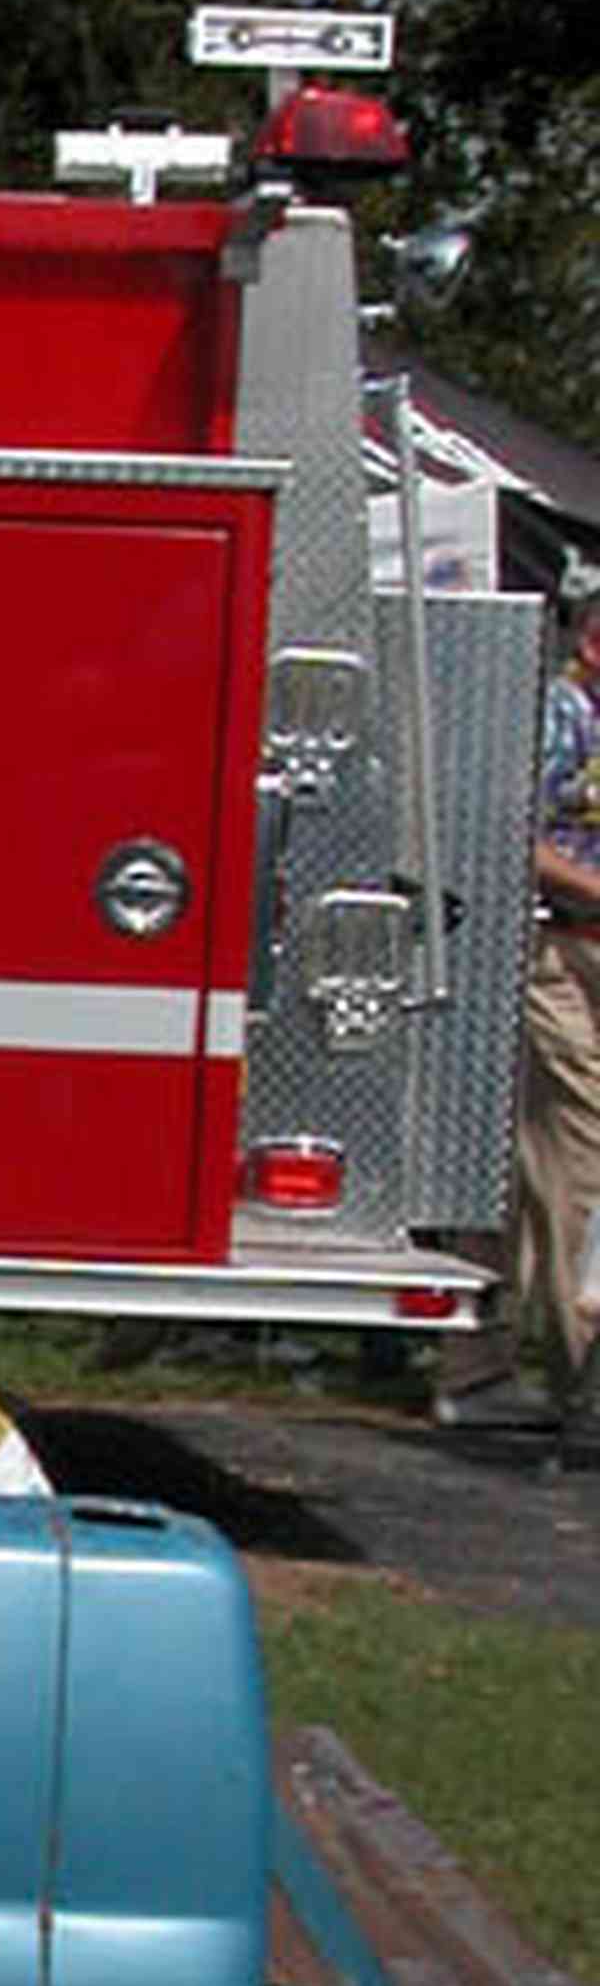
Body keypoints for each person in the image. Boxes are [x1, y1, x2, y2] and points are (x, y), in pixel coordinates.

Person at [448, 578, 600, 1456]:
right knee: (579, 1147)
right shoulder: (558, 717)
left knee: (523, 1164)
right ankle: (583, 1374)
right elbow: (516, 836)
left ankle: (478, 1366)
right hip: (550, 953)